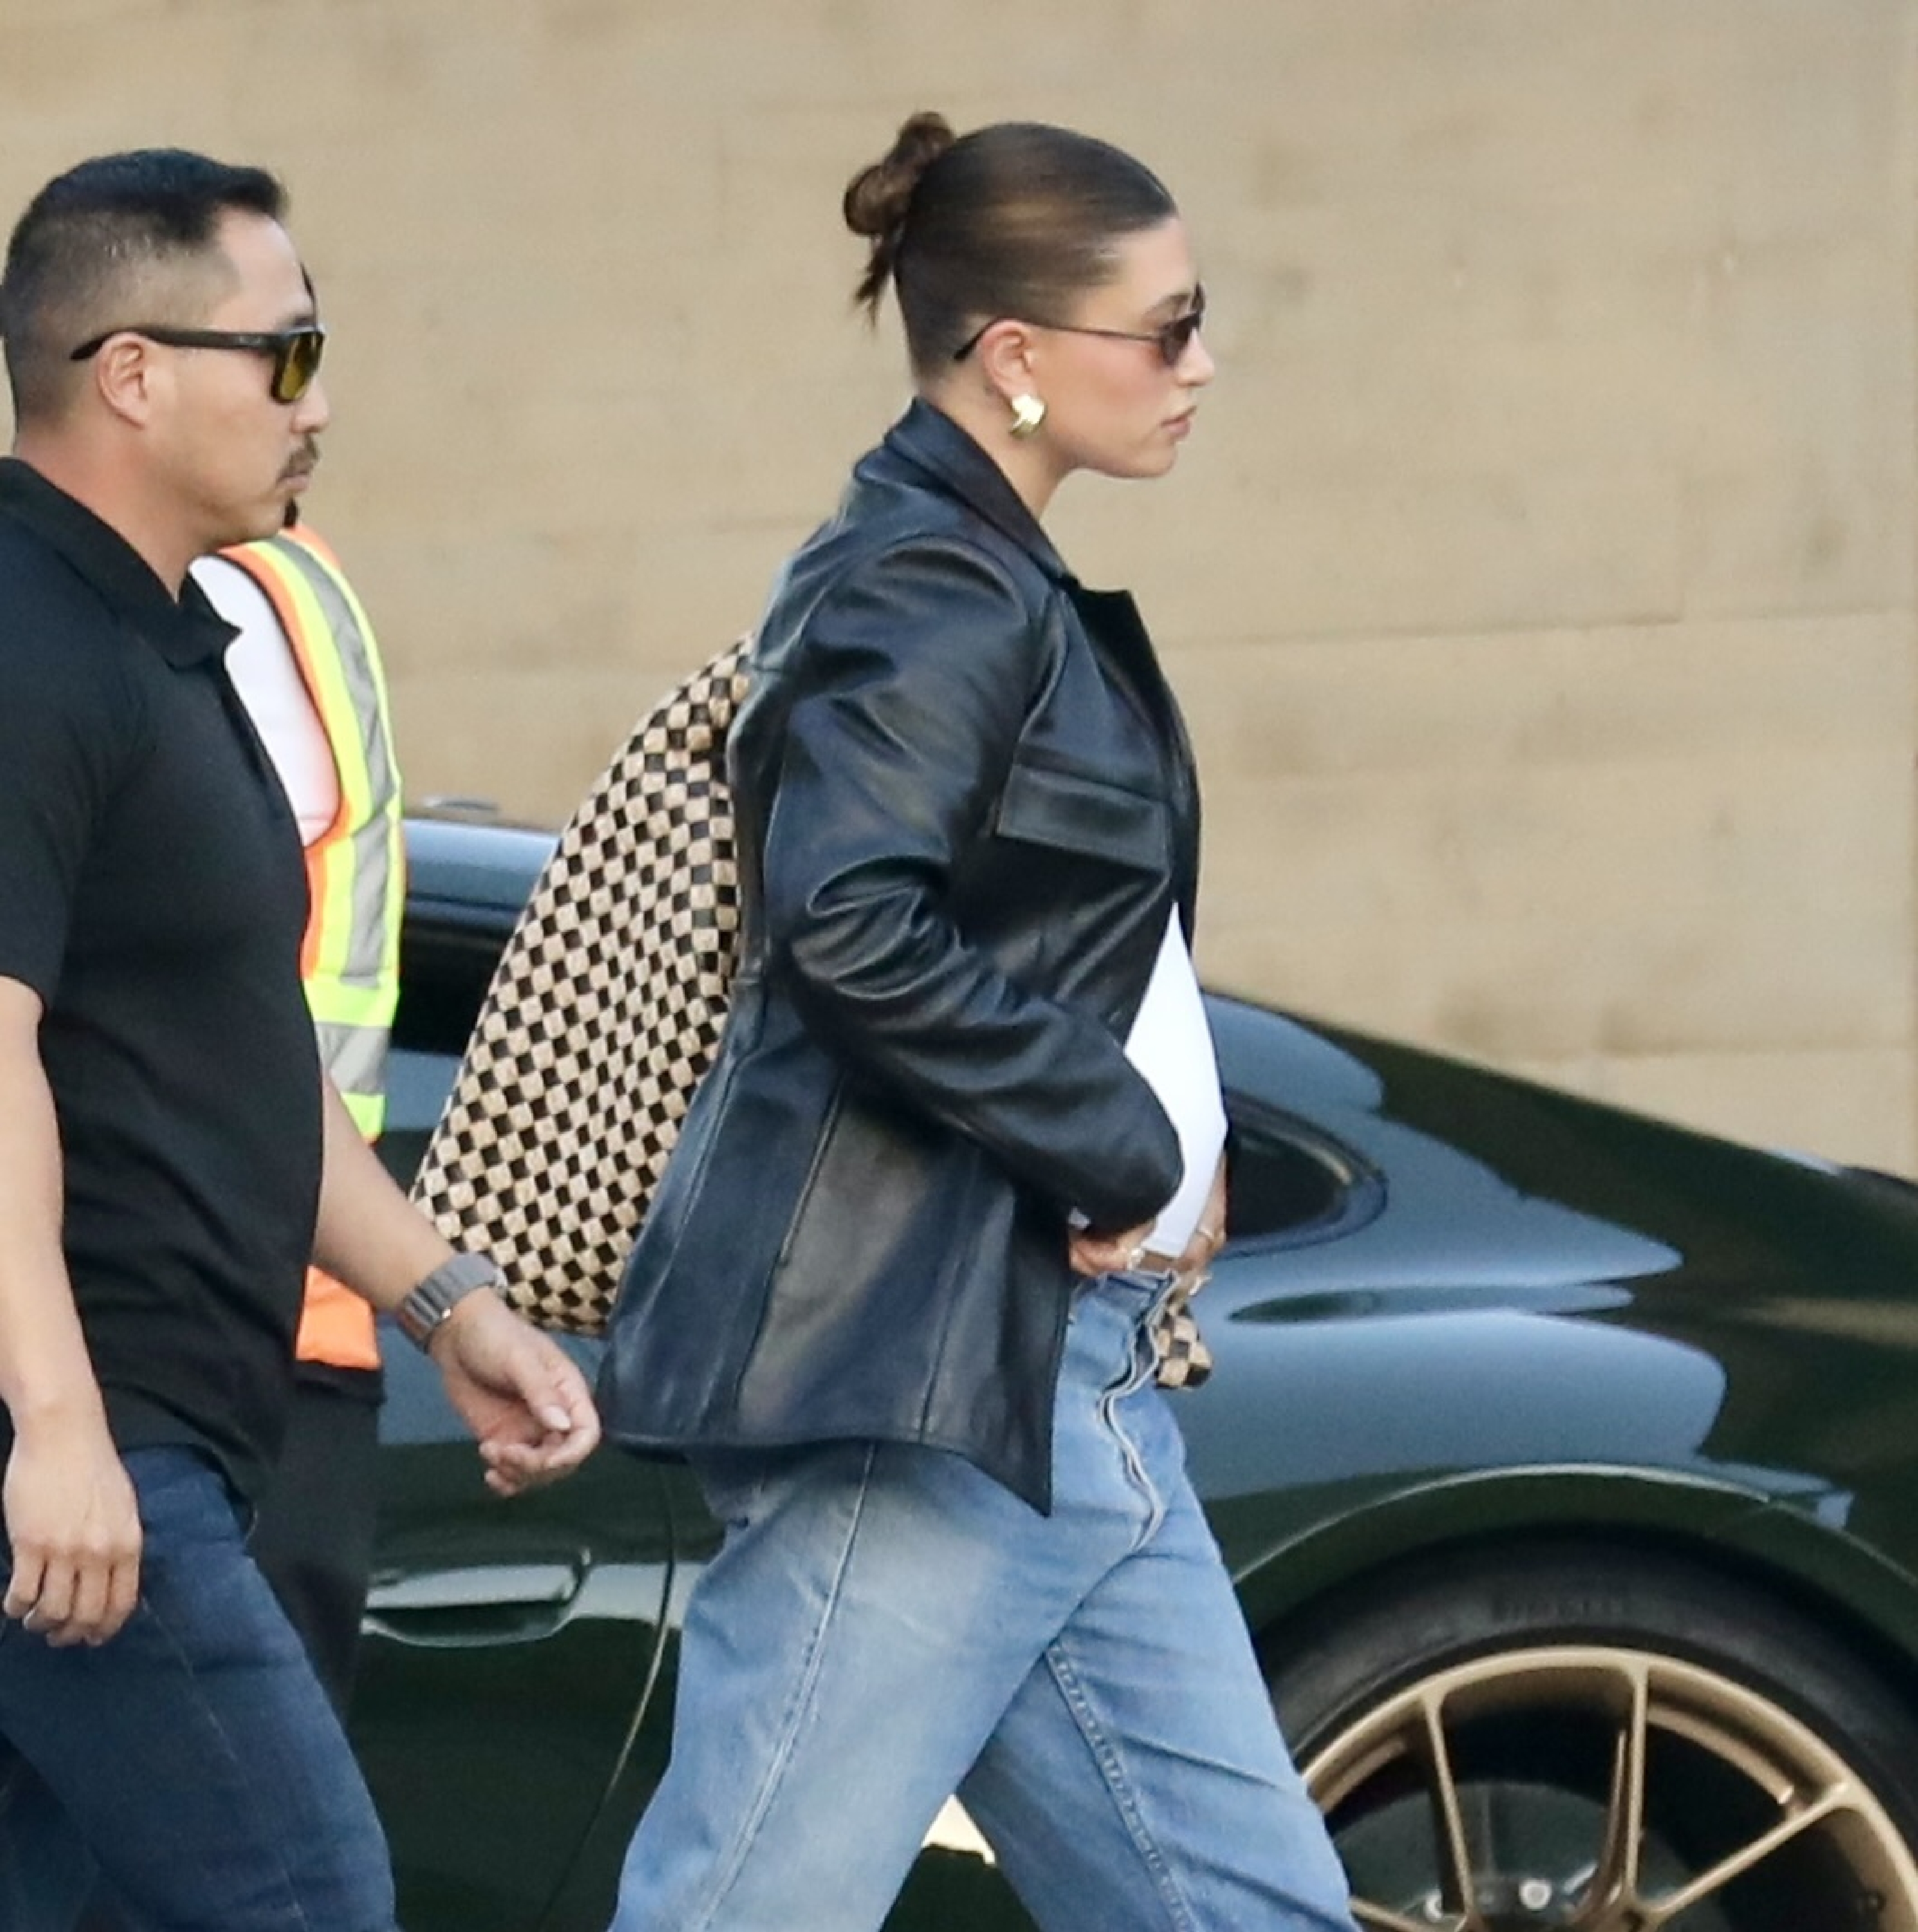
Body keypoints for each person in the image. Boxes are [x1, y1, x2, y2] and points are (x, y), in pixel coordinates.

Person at [596, 114, 1357, 1932]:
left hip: (1058, 1372)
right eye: (1165, 328)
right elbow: (849, 922)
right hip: (926, 1377)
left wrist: (1158, 1149)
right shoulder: (926, 582)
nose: (1200, 365)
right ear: (1015, 353)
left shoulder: (980, 572)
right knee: (747, 1911)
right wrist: (1116, 1135)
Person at [0, 147, 600, 1932]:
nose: (315, 405)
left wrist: (449, 1304)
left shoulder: (172, 645)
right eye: (285, 355)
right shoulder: (24, 644)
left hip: (163, 1435)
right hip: (90, 1445)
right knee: (308, 1894)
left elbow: (247, 1065)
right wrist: (56, 1426)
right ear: (129, 373)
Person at [195, 519, 403, 1711]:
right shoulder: (287, 586)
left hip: (221, 1339)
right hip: (288, 1330)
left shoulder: (204, 597)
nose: (308, 425)